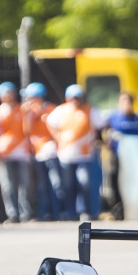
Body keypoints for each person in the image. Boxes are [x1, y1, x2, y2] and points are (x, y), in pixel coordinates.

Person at [45, 83, 106, 221]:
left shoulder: (90, 110)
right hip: (65, 155)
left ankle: (86, 211)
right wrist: (56, 137)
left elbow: (102, 125)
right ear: (67, 98)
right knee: (67, 186)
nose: (75, 100)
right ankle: (70, 212)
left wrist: (97, 139)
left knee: (84, 183)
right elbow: (49, 123)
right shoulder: (61, 111)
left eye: (78, 97)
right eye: (72, 97)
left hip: (85, 155)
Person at [0, 81, 32, 223]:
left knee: (24, 185)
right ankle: (12, 213)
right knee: (7, 186)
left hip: (21, 152)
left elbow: (27, 130)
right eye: (5, 93)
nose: (8, 96)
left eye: (10, 93)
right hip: (4, 153)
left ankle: (25, 213)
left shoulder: (23, 110)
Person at [22, 82, 64, 221]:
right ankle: (43, 212)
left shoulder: (51, 109)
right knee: (41, 185)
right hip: (37, 153)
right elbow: (26, 131)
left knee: (55, 183)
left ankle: (58, 211)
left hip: (51, 151)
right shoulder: (29, 112)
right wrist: (29, 115)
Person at [104, 91, 138, 219]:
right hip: (117, 156)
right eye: (123, 101)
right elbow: (105, 133)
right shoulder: (113, 118)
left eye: (129, 101)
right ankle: (118, 210)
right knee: (116, 183)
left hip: (134, 158)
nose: (126, 104)